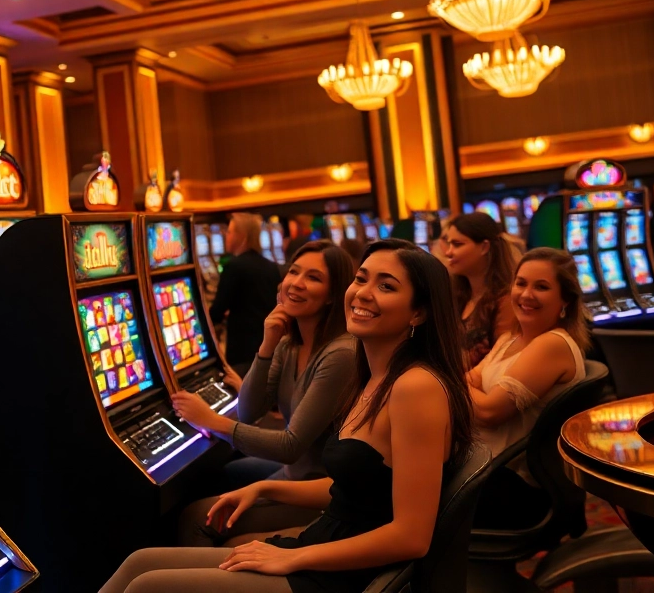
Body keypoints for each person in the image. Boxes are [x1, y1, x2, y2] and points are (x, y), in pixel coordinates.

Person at [100, 240, 473, 593]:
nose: (363, 293)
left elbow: (411, 536)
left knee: (147, 586)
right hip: (324, 544)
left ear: (419, 312)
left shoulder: (416, 387)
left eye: (386, 287)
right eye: (361, 279)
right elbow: (358, 489)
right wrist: (266, 487)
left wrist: (294, 556)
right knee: (139, 562)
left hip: (344, 572)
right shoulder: (373, 374)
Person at [174, 241, 358, 546]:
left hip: (323, 490)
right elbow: (249, 411)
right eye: (293, 272)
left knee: (196, 518)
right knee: (227, 473)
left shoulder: (340, 354)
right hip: (295, 474)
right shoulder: (290, 343)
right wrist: (268, 342)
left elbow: (289, 446)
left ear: (332, 296)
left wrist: (210, 420)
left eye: (313, 278)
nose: (296, 283)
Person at [468, 247, 589, 528]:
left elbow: (488, 412)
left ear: (566, 301)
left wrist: (455, 383)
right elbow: (469, 380)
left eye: (542, 287)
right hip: (486, 469)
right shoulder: (512, 338)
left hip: (513, 485)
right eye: (521, 283)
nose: (526, 294)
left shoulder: (552, 344)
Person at [441, 213, 517, 370]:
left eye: (457, 244)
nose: (448, 252)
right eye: (449, 244)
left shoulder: (506, 300)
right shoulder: (458, 296)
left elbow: (503, 360)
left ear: (484, 247)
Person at [211, 213, 285, 375]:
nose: (226, 236)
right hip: (268, 343)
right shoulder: (271, 266)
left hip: (242, 348)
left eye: (229, 232)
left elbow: (217, 310)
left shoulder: (234, 266)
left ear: (241, 236)